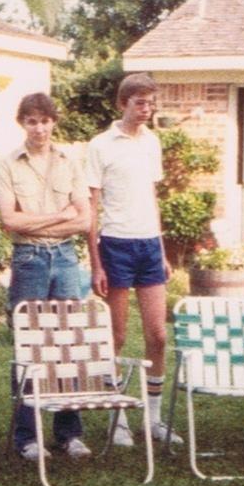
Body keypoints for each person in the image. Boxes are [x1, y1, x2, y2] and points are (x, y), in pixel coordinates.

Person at [0, 93, 93, 461]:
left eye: (45, 120)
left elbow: (85, 220)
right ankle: (27, 437)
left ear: (54, 122)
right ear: (23, 124)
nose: (39, 127)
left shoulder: (70, 162)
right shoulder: (6, 164)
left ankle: (69, 434)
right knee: (28, 346)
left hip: (66, 258)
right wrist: (60, 217)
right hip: (29, 258)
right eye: (32, 121)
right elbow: (9, 221)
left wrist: (56, 220)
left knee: (67, 343)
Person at [86, 72, 182, 446]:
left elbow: (151, 199)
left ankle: (153, 420)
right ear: (122, 103)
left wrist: (162, 250)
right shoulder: (100, 145)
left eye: (151, 103)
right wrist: (95, 262)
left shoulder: (151, 142)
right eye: (140, 103)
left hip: (148, 247)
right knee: (118, 335)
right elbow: (91, 208)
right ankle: (118, 416)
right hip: (115, 245)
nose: (147, 109)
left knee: (158, 335)